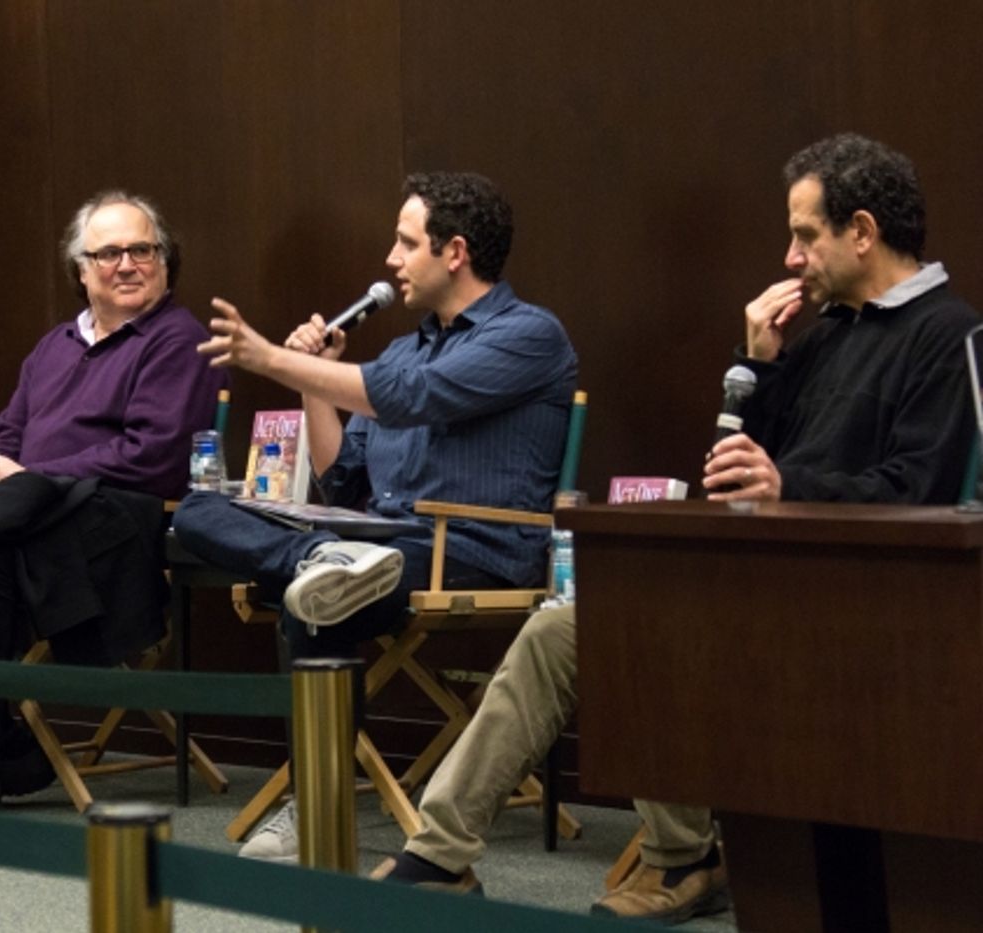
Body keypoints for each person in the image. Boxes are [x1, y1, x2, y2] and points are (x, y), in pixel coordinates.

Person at [372, 132, 980, 925]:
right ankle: (440, 853)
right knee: (567, 628)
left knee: (654, 629)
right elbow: (742, 464)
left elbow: (924, 492)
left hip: (858, 620)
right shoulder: (827, 333)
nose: (791, 257)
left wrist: (787, 482)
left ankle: (682, 857)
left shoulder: (950, 335)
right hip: (759, 581)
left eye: (805, 234)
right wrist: (759, 364)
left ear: (862, 232)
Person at [171, 171, 578, 859]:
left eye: (404, 242)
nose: (390, 261)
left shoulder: (530, 335)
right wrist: (311, 379)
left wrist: (272, 359)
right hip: (371, 544)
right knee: (201, 509)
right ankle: (319, 561)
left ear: (454, 252)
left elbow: (413, 398)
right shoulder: (400, 348)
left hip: (468, 548)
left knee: (314, 601)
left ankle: (314, 803)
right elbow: (339, 478)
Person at [0, 191, 226, 808]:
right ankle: (9, 750)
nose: (128, 263)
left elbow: (152, 458)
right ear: (81, 269)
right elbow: (10, 434)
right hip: (23, 516)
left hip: (115, 523)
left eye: (143, 249)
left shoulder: (178, 340)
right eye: (109, 253)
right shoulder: (54, 344)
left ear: (165, 260)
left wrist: (26, 474)